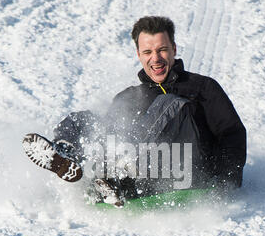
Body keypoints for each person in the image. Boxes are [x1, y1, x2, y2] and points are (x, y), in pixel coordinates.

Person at [23, 16, 247, 206]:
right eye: (148, 51)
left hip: (187, 174)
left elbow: (232, 133)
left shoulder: (202, 87)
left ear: (174, 50)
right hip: (141, 180)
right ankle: (69, 157)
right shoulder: (128, 97)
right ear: (139, 54)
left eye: (162, 50)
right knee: (85, 119)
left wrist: (226, 181)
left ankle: (112, 175)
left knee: (168, 104)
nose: (156, 58)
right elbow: (107, 133)